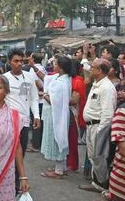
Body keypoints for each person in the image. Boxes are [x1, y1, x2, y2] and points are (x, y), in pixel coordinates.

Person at [3, 48, 40, 193]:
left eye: (21, 61)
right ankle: (6, 183)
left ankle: (17, 183)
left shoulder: (29, 77)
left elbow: (34, 98)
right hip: (8, 122)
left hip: (24, 123)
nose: (19, 64)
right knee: (6, 154)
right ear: (9, 62)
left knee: (20, 154)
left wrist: (36, 116)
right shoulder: (4, 78)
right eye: (15, 61)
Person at [79, 58, 117, 193]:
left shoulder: (107, 87)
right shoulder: (97, 84)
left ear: (100, 71)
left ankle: (103, 184)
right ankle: (97, 182)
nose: (91, 69)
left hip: (99, 127)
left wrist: (101, 132)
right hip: (91, 126)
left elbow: (108, 114)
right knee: (93, 155)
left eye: (93, 68)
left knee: (99, 157)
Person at [40, 56, 72, 179]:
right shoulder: (64, 79)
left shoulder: (60, 83)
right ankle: (61, 167)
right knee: (61, 138)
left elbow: (54, 101)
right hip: (59, 114)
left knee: (57, 138)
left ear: (61, 67)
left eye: (56, 64)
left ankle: (58, 171)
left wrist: (45, 94)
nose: (54, 66)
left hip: (56, 115)